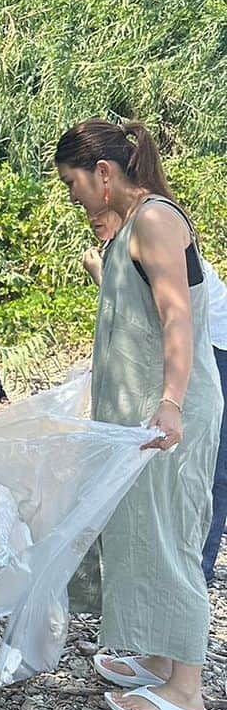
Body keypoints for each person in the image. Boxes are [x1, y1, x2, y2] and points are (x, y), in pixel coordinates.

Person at [56, 119, 222, 710]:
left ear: (103, 174)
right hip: (143, 414)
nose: (72, 196)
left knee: (172, 534)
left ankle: (186, 692)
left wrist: (172, 403)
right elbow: (138, 315)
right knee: (144, 534)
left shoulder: (155, 219)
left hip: (170, 412)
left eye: (73, 182)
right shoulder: (129, 228)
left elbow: (178, 320)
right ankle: (157, 656)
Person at [83, 211, 227, 587]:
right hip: (191, 349)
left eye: (98, 217)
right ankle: (157, 567)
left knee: (213, 466)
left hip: (216, 347)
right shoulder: (120, 245)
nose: (92, 221)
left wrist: (171, 403)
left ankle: (196, 569)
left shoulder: (151, 236)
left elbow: (168, 320)